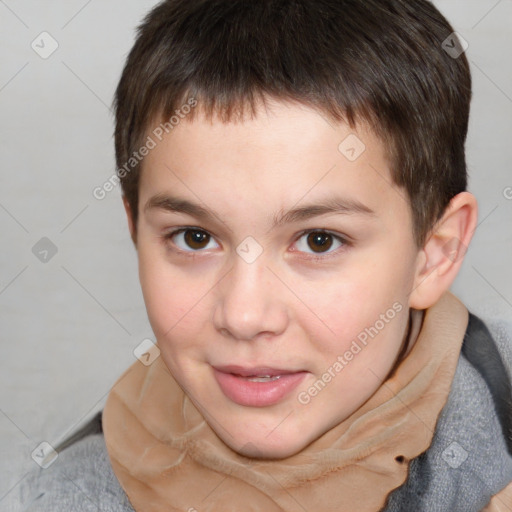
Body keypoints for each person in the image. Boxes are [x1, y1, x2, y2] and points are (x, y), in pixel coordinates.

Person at [18, 0, 512, 510]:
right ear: (136, 232)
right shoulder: (69, 497)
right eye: (194, 238)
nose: (245, 316)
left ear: (434, 253)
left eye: (319, 240)